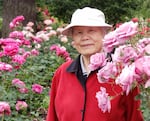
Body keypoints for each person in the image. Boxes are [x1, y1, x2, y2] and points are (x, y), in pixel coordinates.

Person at [46, 7, 144, 121]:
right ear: (73, 37)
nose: (85, 37)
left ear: (104, 34)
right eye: (79, 33)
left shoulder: (123, 75)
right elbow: (52, 117)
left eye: (91, 31)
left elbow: (135, 117)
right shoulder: (62, 73)